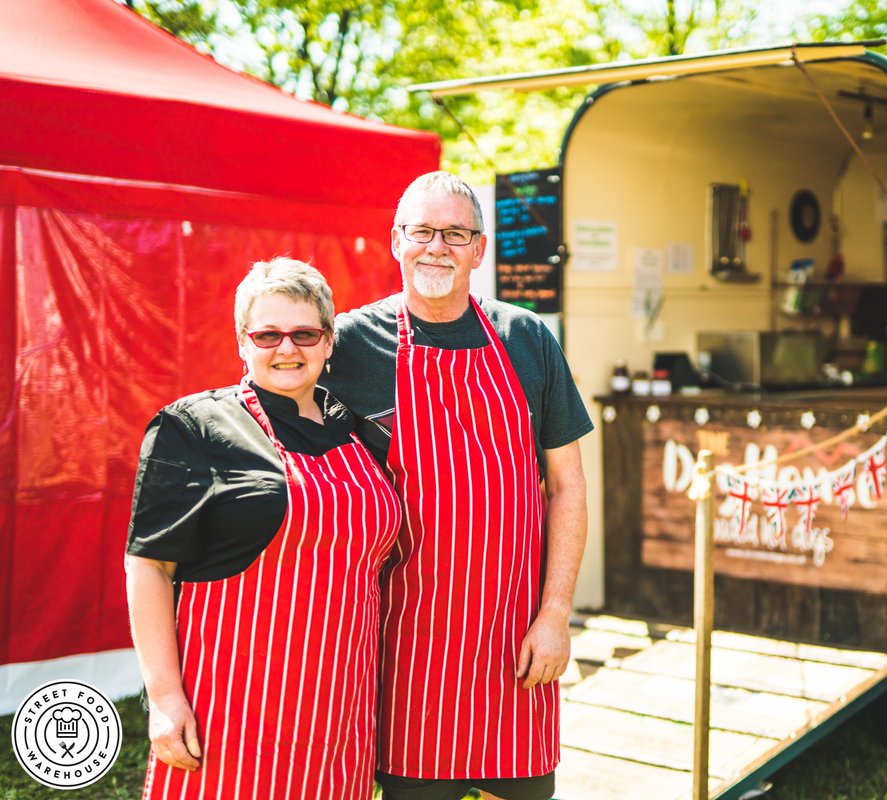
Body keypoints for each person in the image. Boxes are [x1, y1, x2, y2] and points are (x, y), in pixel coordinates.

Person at [325, 171, 592, 800]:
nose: (436, 247)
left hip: (516, 641)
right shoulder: (348, 344)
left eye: (455, 233)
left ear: (480, 249)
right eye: (422, 231)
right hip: (406, 647)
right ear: (396, 240)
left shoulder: (527, 338)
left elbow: (568, 486)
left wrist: (556, 614)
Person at [125, 258, 402, 799]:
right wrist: (164, 697)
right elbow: (149, 565)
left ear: (328, 343)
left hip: (339, 709)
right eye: (268, 335)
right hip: (229, 708)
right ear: (242, 343)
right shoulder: (194, 426)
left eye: (305, 334)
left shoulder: (363, 436)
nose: (287, 348)